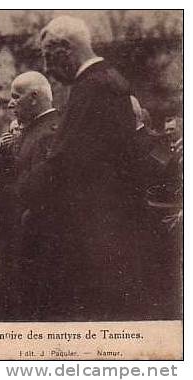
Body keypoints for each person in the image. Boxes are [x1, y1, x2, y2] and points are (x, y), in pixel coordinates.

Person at [27, 16, 144, 320]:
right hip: (109, 228)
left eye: (47, 57)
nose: (47, 68)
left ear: (65, 50)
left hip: (94, 235)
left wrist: (18, 191)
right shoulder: (109, 81)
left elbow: (65, 161)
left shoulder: (93, 87)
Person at [0, 71, 59, 321]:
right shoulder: (32, 131)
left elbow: (40, 193)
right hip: (21, 235)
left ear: (34, 97)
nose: (10, 104)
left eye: (15, 97)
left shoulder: (49, 132)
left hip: (34, 241)